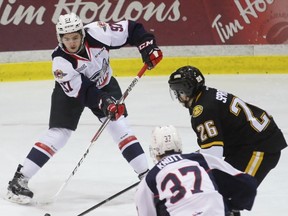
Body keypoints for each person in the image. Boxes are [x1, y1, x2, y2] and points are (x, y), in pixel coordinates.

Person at [6, 13, 162, 204]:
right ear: (60, 38)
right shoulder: (60, 63)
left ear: (82, 33)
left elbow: (131, 29)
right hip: (72, 93)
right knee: (59, 134)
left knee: (120, 127)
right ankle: (19, 179)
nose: (71, 42)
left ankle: (146, 177)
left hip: (104, 83)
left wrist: (147, 45)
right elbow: (84, 92)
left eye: (75, 37)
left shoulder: (98, 32)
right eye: (66, 38)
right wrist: (105, 103)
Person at [168, 65, 287, 214]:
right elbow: (213, 150)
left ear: (187, 89)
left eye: (179, 92)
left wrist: (187, 164)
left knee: (229, 194)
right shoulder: (206, 96)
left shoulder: (202, 110)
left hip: (260, 147)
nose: (179, 97)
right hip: (245, 145)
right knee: (221, 192)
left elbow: (213, 155)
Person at [135, 125, 257, 216]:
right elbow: (248, 185)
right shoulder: (202, 159)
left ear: (155, 150)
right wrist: (230, 207)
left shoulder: (148, 180)